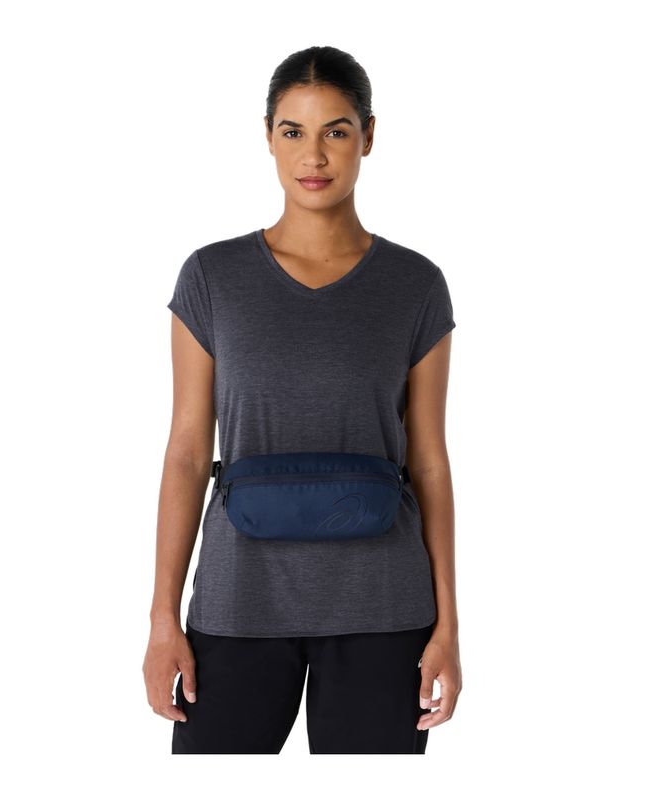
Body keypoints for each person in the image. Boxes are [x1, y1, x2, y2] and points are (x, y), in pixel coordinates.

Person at [142, 45, 462, 755]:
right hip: (238, 600)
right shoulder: (212, 277)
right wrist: (163, 619)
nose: (313, 156)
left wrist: (449, 625)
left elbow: (430, 463)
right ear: (267, 136)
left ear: (368, 136)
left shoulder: (414, 285)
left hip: (383, 605)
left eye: (336, 131)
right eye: (293, 131)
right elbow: (188, 453)